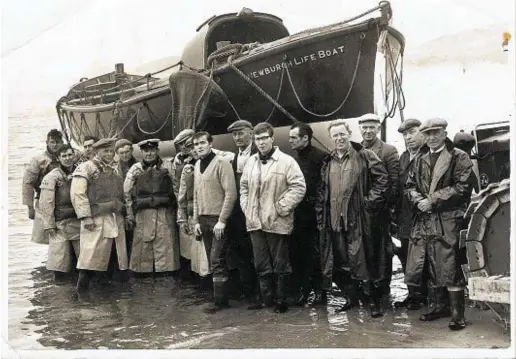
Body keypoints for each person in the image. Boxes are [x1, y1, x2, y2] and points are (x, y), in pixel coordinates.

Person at [405, 118, 474, 330]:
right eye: (428, 134)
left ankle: (457, 315)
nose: (432, 138)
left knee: (451, 265)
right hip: (426, 219)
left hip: (449, 218)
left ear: (445, 133)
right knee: (430, 263)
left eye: (436, 133)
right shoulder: (419, 159)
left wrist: (432, 200)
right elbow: (409, 186)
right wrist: (419, 201)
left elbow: (463, 187)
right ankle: (438, 307)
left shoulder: (458, 157)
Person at [315, 119, 389, 318]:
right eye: (335, 135)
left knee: (364, 261)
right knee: (340, 261)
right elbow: (323, 193)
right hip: (335, 221)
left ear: (349, 135)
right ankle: (351, 298)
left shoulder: (364, 155)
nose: (339, 138)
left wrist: (368, 203)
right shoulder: (328, 162)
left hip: (358, 220)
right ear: (330, 138)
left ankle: (372, 301)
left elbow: (382, 180)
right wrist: (322, 218)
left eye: (342, 134)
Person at [240, 122, 306, 313]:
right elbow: (244, 187)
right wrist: (247, 208)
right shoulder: (250, 162)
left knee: (280, 263)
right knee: (261, 263)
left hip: (277, 221)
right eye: (257, 139)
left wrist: (281, 207)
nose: (260, 143)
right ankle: (266, 299)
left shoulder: (286, 162)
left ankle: (281, 301)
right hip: (254, 222)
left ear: (272, 138)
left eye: (264, 138)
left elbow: (299, 187)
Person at [71, 138, 129, 292]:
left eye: (111, 151)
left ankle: (108, 292)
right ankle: (82, 292)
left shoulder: (114, 169)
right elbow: (78, 194)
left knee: (115, 257)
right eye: (106, 151)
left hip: (115, 218)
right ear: (97, 152)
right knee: (90, 258)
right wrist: (86, 217)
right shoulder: (86, 168)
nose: (109, 154)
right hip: (96, 219)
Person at [192, 131, 237, 313]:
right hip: (203, 220)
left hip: (218, 220)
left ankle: (221, 302)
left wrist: (222, 220)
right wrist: (196, 220)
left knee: (217, 259)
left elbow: (231, 193)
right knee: (213, 262)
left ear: (210, 143)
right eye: (196, 144)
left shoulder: (221, 163)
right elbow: (196, 195)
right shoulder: (196, 165)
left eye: (202, 142)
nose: (199, 146)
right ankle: (221, 297)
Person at [124, 139, 180, 277]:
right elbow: (127, 194)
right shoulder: (135, 169)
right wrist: (130, 214)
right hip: (143, 214)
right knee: (143, 249)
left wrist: (180, 212)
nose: (149, 154)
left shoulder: (168, 166)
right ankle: (143, 276)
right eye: (145, 151)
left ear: (157, 151)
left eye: (152, 150)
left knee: (166, 246)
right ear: (141, 152)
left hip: (164, 212)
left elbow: (178, 188)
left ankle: (166, 275)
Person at [358, 113, 399, 297]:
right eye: (364, 127)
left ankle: (383, 289)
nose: (368, 131)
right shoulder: (356, 150)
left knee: (382, 251)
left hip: (380, 211)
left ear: (378, 129)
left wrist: (383, 206)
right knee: (364, 250)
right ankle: (367, 289)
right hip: (360, 212)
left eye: (371, 127)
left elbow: (394, 182)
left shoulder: (388, 151)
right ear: (360, 129)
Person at [288, 122, 327, 306]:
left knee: (316, 253)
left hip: (315, 213)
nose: (290, 141)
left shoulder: (321, 157)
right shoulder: (292, 158)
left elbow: (324, 186)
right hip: (298, 213)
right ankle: (304, 290)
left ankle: (320, 292)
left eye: (293, 137)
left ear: (305, 138)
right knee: (298, 253)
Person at [392, 119, 428, 309]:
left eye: (412, 132)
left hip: (423, 215)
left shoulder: (429, 155)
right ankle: (414, 294)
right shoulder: (404, 157)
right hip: (405, 216)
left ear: (422, 133)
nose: (408, 137)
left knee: (425, 256)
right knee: (407, 255)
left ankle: (427, 295)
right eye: (405, 134)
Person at [226, 119, 259, 303]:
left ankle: (261, 293)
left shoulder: (259, 153)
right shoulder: (234, 157)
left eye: (241, 133)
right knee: (242, 252)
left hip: (256, 209)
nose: (237, 138)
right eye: (234, 134)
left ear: (251, 133)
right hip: (238, 213)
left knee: (259, 251)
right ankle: (248, 292)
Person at [39, 144, 80, 283]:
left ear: (74, 155)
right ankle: (60, 292)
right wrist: (49, 224)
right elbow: (46, 202)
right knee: (59, 260)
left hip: (78, 221)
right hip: (60, 223)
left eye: (70, 155)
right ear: (58, 158)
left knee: (82, 259)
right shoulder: (52, 177)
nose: (68, 158)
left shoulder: (80, 172)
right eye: (64, 156)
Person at [176, 137, 211, 290]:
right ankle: (201, 286)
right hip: (193, 215)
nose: (195, 150)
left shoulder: (216, 161)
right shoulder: (188, 169)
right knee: (196, 254)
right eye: (191, 148)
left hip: (210, 213)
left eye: (197, 146)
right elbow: (182, 196)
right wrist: (182, 218)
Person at [22, 128, 63, 245]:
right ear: (47, 142)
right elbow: (27, 183)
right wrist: (30, 208)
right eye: (52, 142)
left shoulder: (67, 155)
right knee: (48, 234)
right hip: (44, 200)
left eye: (58, 142)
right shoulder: (38, 160)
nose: (55, 145)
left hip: (64, 200)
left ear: (62, 142)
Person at [172, 129, 196, 280]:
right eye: (181, 145)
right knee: (186, 242)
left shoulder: (198, 157)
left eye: (187, 144)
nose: (184, 148)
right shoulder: (177, 161)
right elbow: (176, 187)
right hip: (185, 205)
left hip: (198, 204)